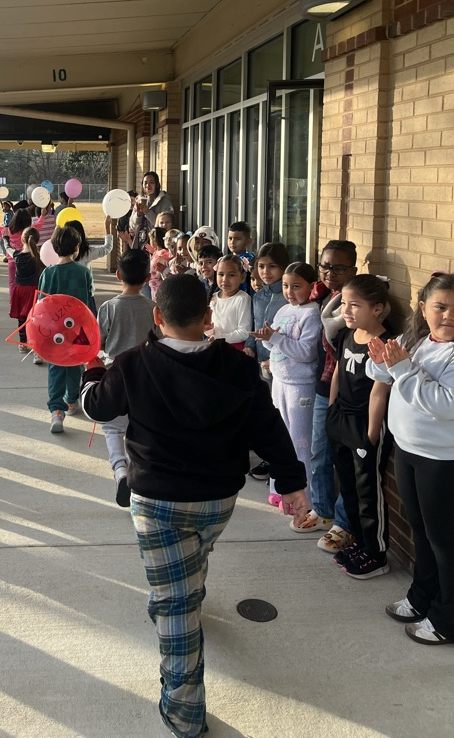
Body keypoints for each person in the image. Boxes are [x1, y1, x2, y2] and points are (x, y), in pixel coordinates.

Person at [80, 273, 308, 738]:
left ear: (157, 316)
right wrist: (291, 481)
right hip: (217, 499)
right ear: (208, 317)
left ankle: (184, 714)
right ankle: (184, 591)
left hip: (157, 500)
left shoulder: (132, 364)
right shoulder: (238, 366)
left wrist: (90, 375)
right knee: (195, 557)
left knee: (175, 608)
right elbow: (267, 425)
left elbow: (97, 409)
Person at [366, 272, 454, 646]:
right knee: (420, 532)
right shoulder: (415, 339)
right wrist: (381, 360)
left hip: (442, 460)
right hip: (407, 451)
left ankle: (448, 618)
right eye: (440, 307)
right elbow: (382, 373)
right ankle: (422, 598)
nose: (449, 316)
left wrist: (402, 367)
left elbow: (446, 404)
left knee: (444, 542)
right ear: (423, 308)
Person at [323, 275, 392, 573]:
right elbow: (338, 373)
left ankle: (376, 554)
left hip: (365, 426)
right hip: (340, 419)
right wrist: (332, 411)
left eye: (355, 305)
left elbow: (380, 392)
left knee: (367, 492)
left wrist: (371, 436)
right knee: (348, 488)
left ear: (377, 308)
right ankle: (359, 542)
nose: (346, 311)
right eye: (344, 304)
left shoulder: (386, 344)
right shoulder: (347, 335)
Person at [252, 262, 321, 511]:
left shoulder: (312, 314)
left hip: (301, 386)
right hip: (279, 381)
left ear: (311, 286)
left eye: (296, 286)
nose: (289, 292)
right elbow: (276, 345)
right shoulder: (283, 309)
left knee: (300, 443)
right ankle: (278, 490)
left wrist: (275, 338)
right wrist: (267, 338)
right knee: (279, 439)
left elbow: (306, 352)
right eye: (285, 286)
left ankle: (305, 497)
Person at [96, 249, 156, 507]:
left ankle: (120, 471)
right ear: (148, 277)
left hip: (115, 375)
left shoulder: (108, 308)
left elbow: (98, 342)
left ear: (119, 275)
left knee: (113, 428)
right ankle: (137, 472)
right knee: (141, 427)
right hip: (146, 376)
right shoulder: (153, 309)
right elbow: (159, 341)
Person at [310, 240, 358, 553]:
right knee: (319, 453)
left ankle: (344, 523)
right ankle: (322, 509)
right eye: (325, 266)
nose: (330, 273)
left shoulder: (356, 303)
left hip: (348, 395)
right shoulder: (320, 296)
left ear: (353, 270)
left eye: (338, 268)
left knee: (345, 462)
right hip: (322, 387)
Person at [37, 227, 93, 434]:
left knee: (56, 366)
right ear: (77, 248)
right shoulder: (83, 272)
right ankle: (71, 399)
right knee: (75, 363)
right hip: (77, 329)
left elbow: (41, 304)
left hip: (55, 332)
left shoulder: (48, 273)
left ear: (54, 248)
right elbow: (88, 301)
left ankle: (56, 411)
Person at [243, 242, 289, 481]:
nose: (265, 272)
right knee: (263, 409)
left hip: (280, 363)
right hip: (260, 361)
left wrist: (275, 358)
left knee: (277, 413)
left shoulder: (288, 295)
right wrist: (250, 346)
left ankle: (276, 461)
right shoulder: (259, 295)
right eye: (261, 266)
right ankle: (269, 456)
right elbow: (255, 324)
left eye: (272, 266)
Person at [62, 216, 113, 314]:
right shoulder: (87, 253)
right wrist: (107, 227)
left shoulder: (59, 256)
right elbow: (107, 248)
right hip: (86, 297)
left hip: (66, 299)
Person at [6, 226, 43, 355]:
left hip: (21, 291)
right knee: (36, 319)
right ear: (37, 240)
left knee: (22, 318)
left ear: (22, 240)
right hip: (35, 291)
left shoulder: (17, 256)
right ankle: (36, 347)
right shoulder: (39, 257)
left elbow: (7, 248)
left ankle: (22, 343)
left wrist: (5, 238)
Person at [208, 254, 252, 349]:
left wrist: (219, 338)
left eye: (231, 275)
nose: (225, 279)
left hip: (234, 349)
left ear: (242, 277)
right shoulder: (213, 297)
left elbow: (244, 332)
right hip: (214, 346)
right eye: (221, 274)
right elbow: (210, 325)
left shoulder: (242, 299)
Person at [127, 172, 175, 250]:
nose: (148, 185)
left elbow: (165, 225)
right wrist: (138, 214)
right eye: (145, 183)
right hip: (140, 245)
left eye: (151, 182)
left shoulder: (164, 201)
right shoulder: (140, 200)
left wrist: (147, 211)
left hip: (158, 244)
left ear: (157, 184)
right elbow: (133, 225)